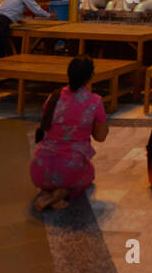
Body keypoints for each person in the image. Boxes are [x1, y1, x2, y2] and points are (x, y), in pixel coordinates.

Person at [30, 56, 109, 210]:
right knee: (88, 174)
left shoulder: (53, 97)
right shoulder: (94, 101)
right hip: (71, 168)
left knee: (51, 178)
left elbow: (46, 125)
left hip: (39, 168)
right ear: (90, 77)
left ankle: (47, 193)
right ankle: (59, 195)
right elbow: (100, 137)